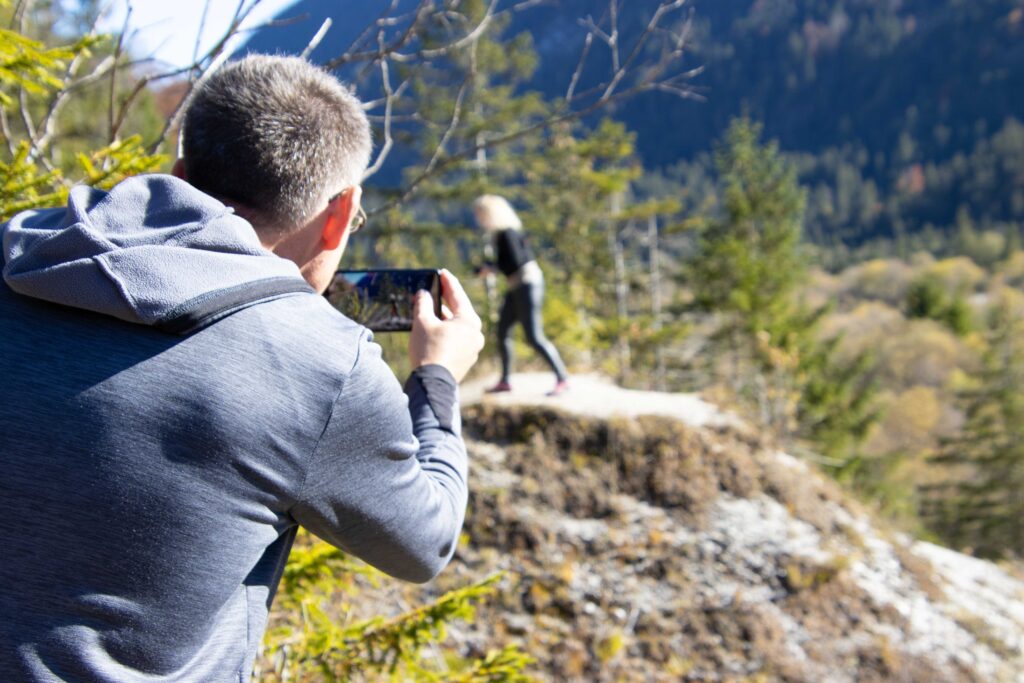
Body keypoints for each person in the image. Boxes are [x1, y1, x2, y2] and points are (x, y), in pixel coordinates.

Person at [0, 55, 484, 681]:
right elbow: (425, 541)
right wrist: (437, 379)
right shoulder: (322, 365)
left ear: (179, 176)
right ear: (339, 214)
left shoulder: (19, 257)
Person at [473, 194, 569, 397]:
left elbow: (515, 262)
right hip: (518, 285)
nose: (478, 219)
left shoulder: (506, 233)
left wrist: (491, 269)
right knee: (503, 331)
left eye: (480, 214)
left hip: (527, 284)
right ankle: (506, 380)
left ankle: (562, 378)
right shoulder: (504, 234)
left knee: (534, 336)